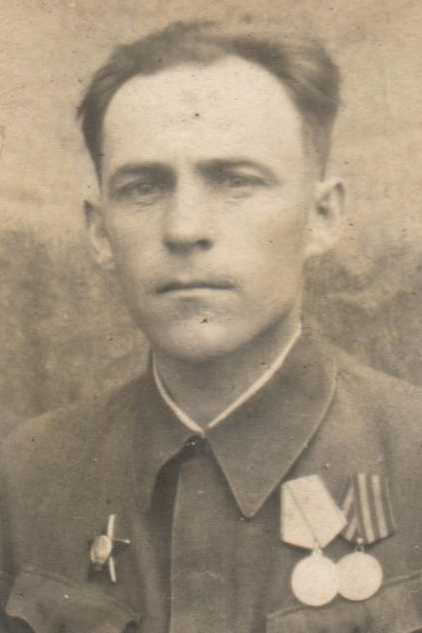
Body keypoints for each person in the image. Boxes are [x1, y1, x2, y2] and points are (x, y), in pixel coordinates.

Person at [1, 18, 422, 633]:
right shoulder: (27, 476)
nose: (184, 228)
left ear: (323, 216)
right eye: (144, 187)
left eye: (235, 181)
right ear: (99, 230)